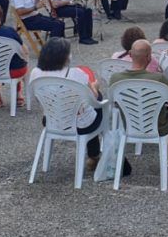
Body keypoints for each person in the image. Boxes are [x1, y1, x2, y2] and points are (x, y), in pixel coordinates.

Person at [31, 38, 118, 171]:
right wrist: (95, 86)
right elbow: (93, 98)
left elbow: (37, 97)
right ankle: (94, 155)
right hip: (80, 125)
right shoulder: (76, 74)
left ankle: (92, 156)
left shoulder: (35, 73)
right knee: (98, 104)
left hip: (51, 121)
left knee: (88, 108)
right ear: (64, 57)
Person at [109, 40, 168, 168]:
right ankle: (167, 156)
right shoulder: (158, 79)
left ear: (130, 54)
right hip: (158, 128)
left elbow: (114, 103)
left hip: (130, 125)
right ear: (149, 57)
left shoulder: (115, 79)